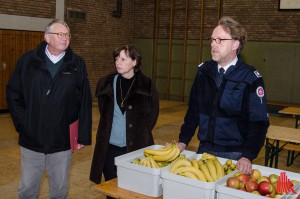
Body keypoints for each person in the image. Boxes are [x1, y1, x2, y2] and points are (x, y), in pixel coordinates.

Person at [6, 19, 92, 198]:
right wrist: (23, 124)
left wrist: (82, 135)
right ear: (47, 37)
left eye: (67, 35)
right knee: (27, 188)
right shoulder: (28, 60)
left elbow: (84, 100)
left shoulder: (77, 64)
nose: (65, 38)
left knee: (60, 187)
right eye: (59, 34)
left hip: (62, 140)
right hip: (32, 138)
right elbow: (14, 94)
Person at [176, 16, 269, 175]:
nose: (213, 44)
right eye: (212, 39)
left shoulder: (251, 78)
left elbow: (259, 122)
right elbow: (193, 111)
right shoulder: (203, 72)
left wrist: (248, 155)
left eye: (220, 40)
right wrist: (183, 140)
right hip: (204, 150)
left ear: (235, 44)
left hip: (235, 155)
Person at [89, 45, 159, 195]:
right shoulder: (107, 84)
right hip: (110, 149)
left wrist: (138, 132)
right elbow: (104, 112)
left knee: (134, 191)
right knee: (112, 190)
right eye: (116, 59)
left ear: (134, 62)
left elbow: (152, 115)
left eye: (123, 59)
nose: (117, 62)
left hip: (135, 150)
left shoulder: (146, 85)